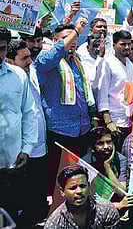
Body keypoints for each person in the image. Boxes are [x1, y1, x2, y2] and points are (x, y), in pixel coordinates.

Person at [35, 19, 95, 197]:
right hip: (60, 132)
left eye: (74, 38)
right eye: (66, 38)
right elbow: (54, 54)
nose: (72, 41)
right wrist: (76, 30)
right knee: (59, 178)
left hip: (81, 129)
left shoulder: (77, 61)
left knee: (78, 178)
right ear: (55, 41)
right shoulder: (45, 61)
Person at [6, 39, 48, 225]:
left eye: (30, 56)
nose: (30, 62)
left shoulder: (30, 73)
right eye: (24, 58)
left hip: (38, 144)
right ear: (9, 61)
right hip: (18, 150)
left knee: (36, 192)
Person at [0, 29, 37, 222]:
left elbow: (30, 113)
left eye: (2, 49)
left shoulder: (18, 76)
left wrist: (26, 149)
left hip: (12, 163)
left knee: (9, 215)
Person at [44, 165, 120, 228]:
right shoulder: (54, 223)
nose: (79, 191)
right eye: (73, 188)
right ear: (62, 191)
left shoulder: (106, 209)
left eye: (82, 186)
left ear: (89, 186)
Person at [85, 127, 133, 212]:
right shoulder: (86, 163)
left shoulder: (120, 159)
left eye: (109, 142)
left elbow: (121, 192)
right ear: (93, 147)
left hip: (116, 201)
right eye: (100, 143)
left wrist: (107, 166)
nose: (106, 146)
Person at [98, 30, 133, 151]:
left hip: (128, 119)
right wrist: (109, 122)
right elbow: (102, 94)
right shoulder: (108, 64)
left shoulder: (130, 64)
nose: (127, 47)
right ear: (114, 45)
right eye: (123, 44)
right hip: (114, 121)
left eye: (129, 44)